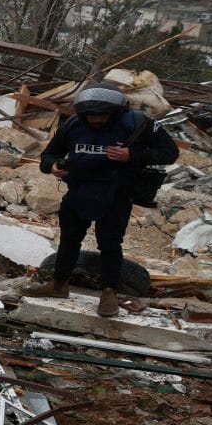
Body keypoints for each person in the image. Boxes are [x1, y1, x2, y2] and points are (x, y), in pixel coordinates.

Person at [26, 85, 177, 317]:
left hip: (116, 194)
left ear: (115, 112)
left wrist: (132, 156)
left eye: (101, 115)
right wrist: (53, 167)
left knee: (109, 244)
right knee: (68, 240)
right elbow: (48, 155)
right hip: (79, 191)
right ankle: (58, 285)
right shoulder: (74, 125)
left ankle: (109, 292)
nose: (95, 120)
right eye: (90, 116)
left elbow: (170, 152)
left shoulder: (137, 123)